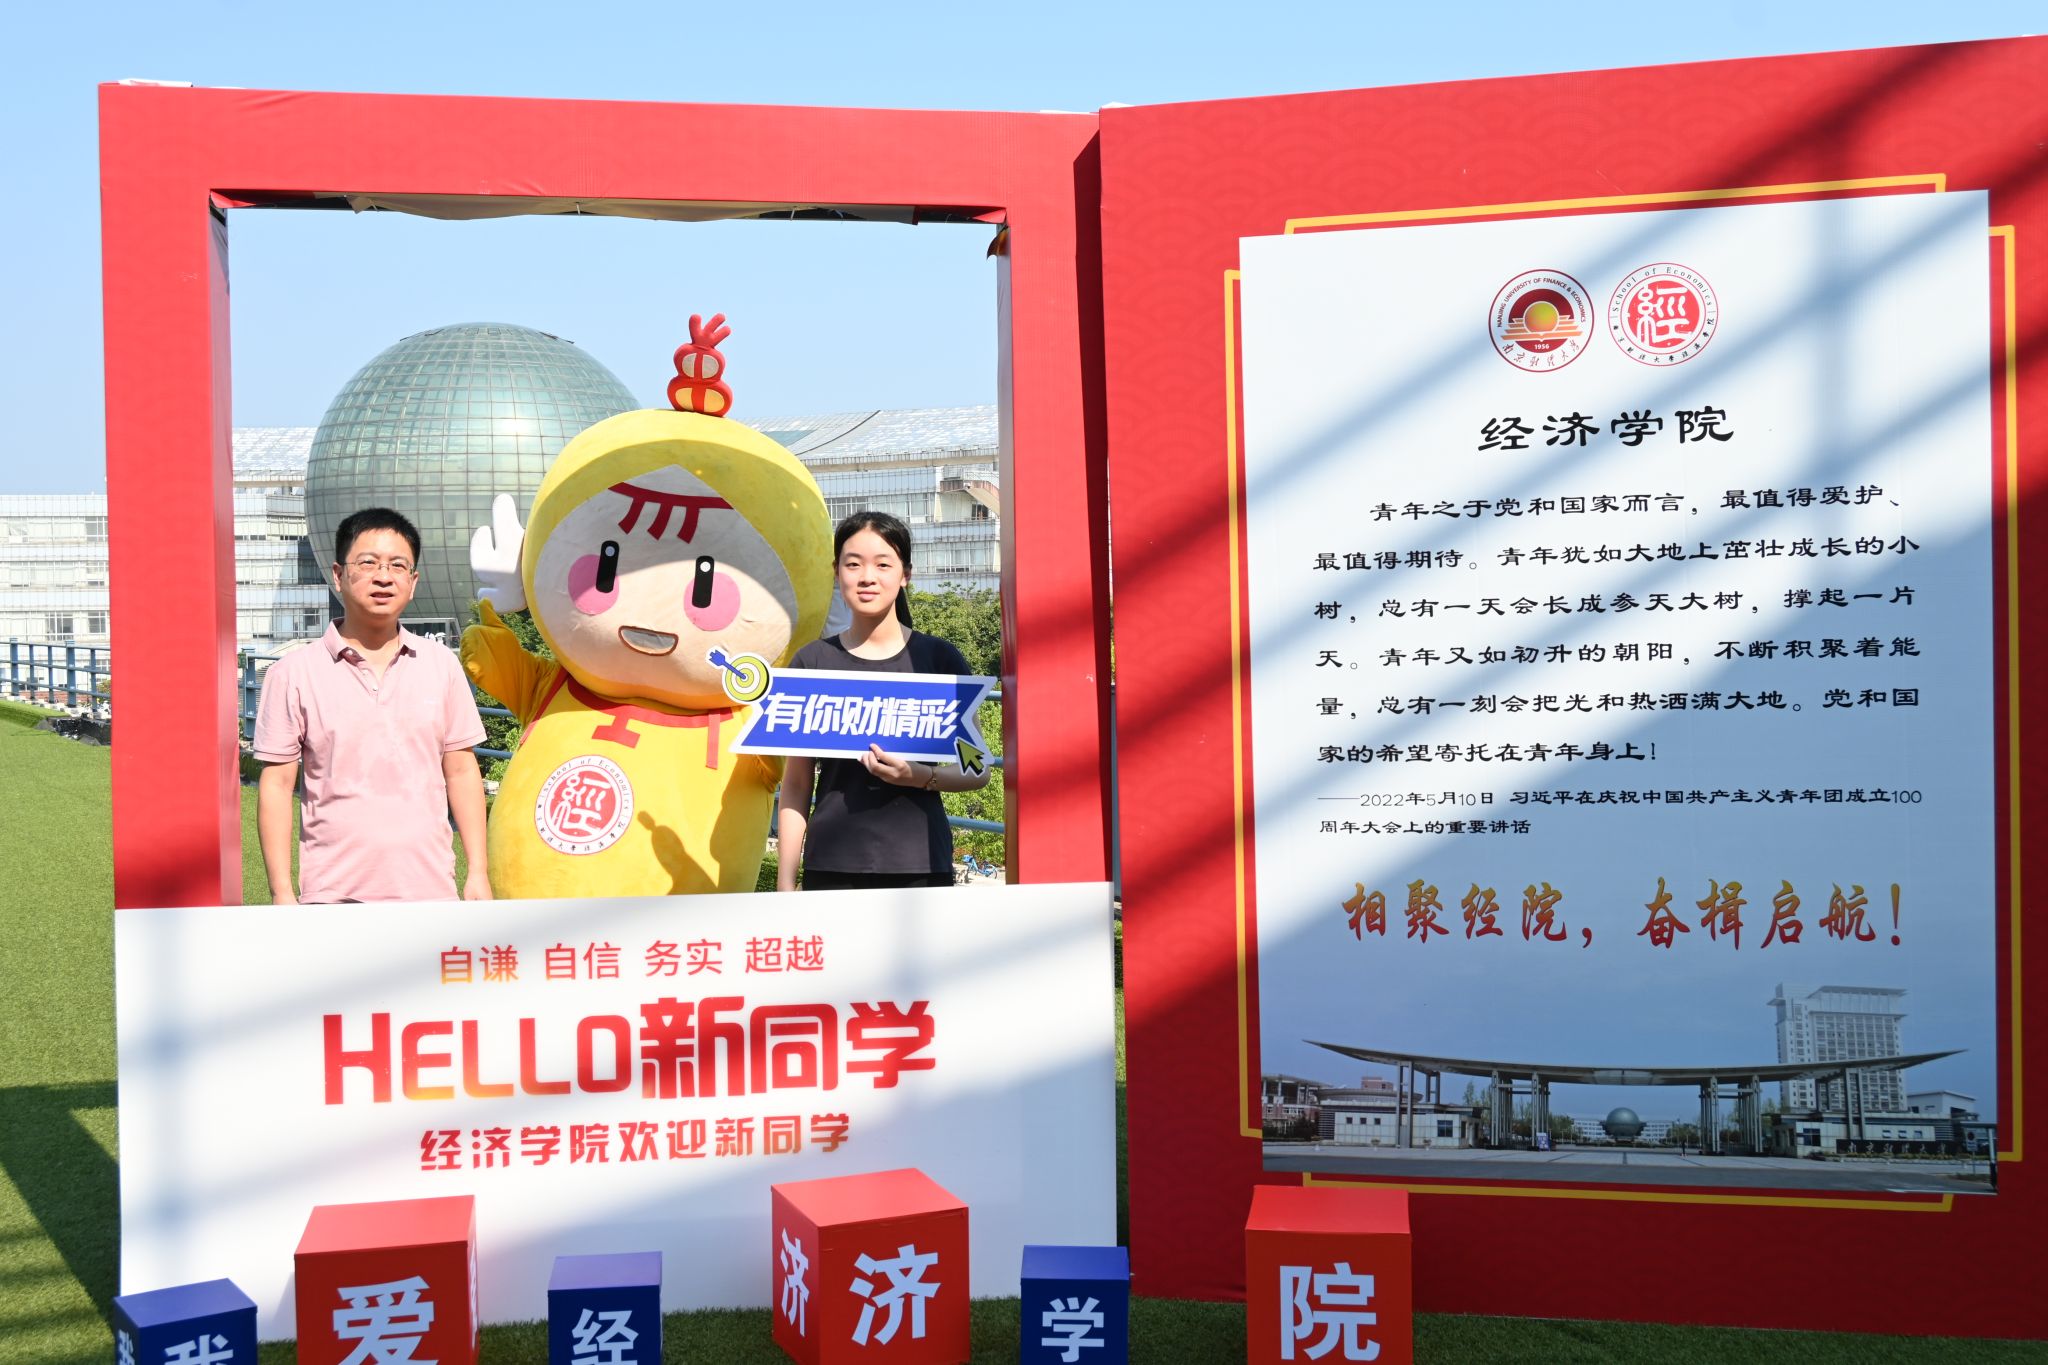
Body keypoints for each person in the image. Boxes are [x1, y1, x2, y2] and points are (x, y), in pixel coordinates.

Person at [253, 507, 491, 904]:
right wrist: (281, 892)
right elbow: (277, 785)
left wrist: (478, 872)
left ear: (413, 582)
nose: (384, 576)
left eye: (398, 565)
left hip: (431, 892)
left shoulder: (441, 665)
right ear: (338, 575)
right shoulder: (293, 673)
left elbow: (462, 770)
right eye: (368, 563)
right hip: (332, 898)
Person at [776, 511, 990, 890]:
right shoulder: (812, 662)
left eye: (883, 564)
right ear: (836, 571)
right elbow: (795, 784)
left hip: (921, 864)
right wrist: (785, 882)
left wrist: (920, 777)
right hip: (831, 866)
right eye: (853, 564)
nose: (867, 577)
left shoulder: (939, 660)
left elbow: (976, 769)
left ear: (905, 574)